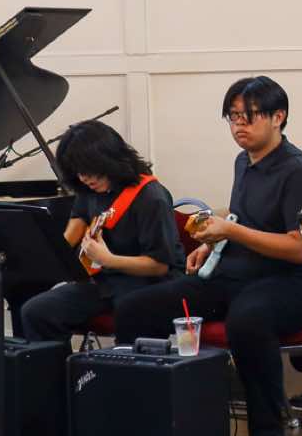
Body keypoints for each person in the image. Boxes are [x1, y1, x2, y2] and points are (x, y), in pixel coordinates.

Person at [112, 77, 302, 436]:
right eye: (233, 117)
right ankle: (149, 422)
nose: (239, 125)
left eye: (249, 116)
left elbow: (301, 248)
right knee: (135, 309)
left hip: (296, 281)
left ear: (278, 117)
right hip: (238, 275)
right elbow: (241, 220)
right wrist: (213, 244)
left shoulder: (300, 172)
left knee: (248, 320)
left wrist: (231, 231)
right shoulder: (243, 162)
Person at [16, 121, 182, 344]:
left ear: (109, 160)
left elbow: (159, 265)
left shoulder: (151, 197)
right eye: (78, 172)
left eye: (89, 170)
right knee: (36, 312)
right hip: (105, 282)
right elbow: (77, 222)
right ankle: (60, 367)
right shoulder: (89, 189)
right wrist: (53, 257)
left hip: (148, 284)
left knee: (130, 312)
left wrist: (108, 259)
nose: (84, 178)